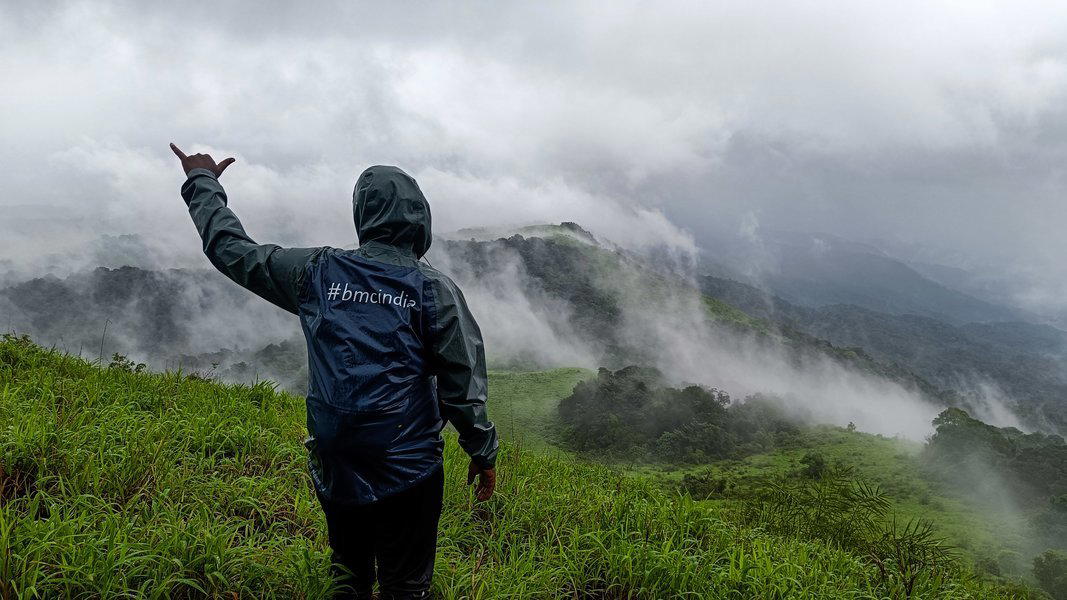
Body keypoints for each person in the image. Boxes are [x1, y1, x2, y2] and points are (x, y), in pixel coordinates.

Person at [169, 143, 498, 600]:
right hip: (410, 469)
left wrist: (202, 182)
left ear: (363, 214)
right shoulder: (434, 290)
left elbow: (233, 252)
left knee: (349, 573)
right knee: (405, 585)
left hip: (335, 460)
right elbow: (463, 383)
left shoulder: (317, 271)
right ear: (421, 217)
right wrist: (482, 452)